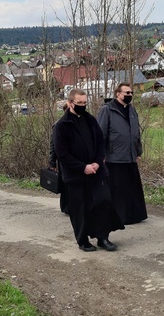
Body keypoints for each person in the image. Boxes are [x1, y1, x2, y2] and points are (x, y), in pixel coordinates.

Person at [53, 88, 124, 252]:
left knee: (103, 202)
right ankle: (83, 240)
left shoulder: (90, 120)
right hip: (75, 176)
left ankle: (103, 238)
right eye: (79, 103)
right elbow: (62, 153)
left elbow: (100, 143)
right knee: (80, 209)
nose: (83, 106)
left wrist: (98, 163)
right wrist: (82, 167)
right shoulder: (62, 126)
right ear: (70, 103)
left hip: (96, 172)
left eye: (85, 103)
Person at [97, 83, 147, 225]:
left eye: (131, 93)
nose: (129, 95)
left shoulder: (132, 110)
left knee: (132, 188)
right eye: (126, 92)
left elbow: (136, 133)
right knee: (118, 190)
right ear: (117, 94)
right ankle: (119, 217)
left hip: (130, 156)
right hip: (114, 157)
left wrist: (138, 151)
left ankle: (134, 215)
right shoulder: (107, 110)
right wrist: (101, 155)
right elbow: (100, 134)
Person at [48, 105, 69, 214]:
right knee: (64, 184)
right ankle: (65, 207)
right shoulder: (58, 125)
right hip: (63, 160)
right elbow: (53, 145)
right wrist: (52, 162)